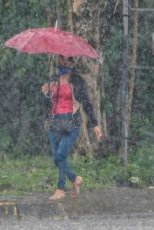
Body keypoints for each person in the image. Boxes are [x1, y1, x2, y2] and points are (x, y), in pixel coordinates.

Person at [41, 55, 103, 200]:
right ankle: (75, 179)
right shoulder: (53, 80)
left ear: (73, 63)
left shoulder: (77, 82)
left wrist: (95, 124)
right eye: (61, 59)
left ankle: (61, 189)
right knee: (57, 158)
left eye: (67, 60)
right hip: (55, 123)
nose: (63, 62)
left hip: (71, 124)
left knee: (61, 155)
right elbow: (47, 104)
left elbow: (87, 103)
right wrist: (45, 92)